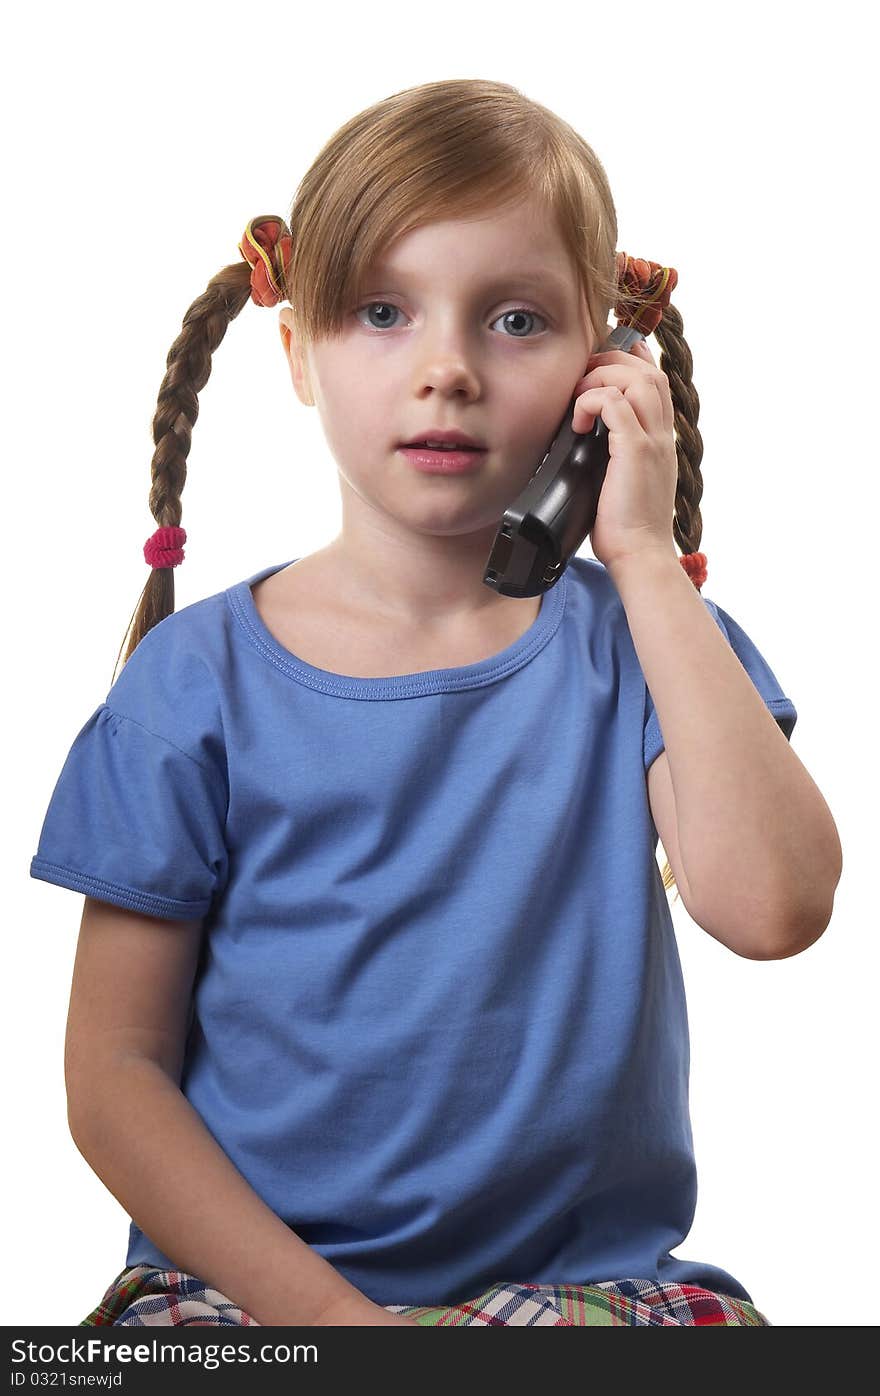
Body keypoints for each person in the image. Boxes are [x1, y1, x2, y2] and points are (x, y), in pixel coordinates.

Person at [31, 78, 842, 1329]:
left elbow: (774, 906)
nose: (449, 369)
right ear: (299, 351)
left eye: (515, 319)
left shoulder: (645, 648)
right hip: (252, 1301)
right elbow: (114, 1077)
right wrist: (341, 1334)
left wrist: (638, 553)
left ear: (605, 367)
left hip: (576, 1298)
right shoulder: (194, 683)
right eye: (382, 313)